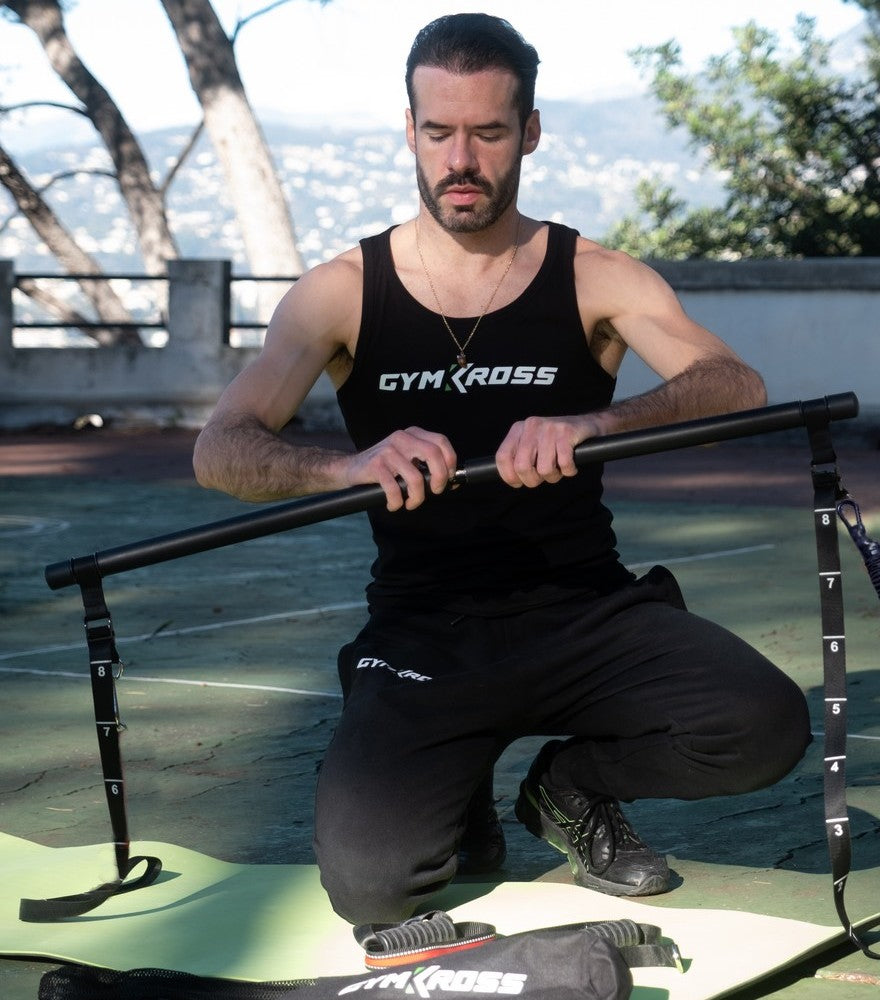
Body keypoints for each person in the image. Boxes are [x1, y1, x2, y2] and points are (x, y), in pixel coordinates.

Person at [192, 13, 811, 925]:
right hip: (424, 631)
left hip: (586, 611)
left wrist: (595, 419)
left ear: (529, 130)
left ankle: (569, 785)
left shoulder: (596, 275)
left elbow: (733, 384)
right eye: (439, 132)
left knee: (765, 724)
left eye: (487, 132)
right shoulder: (341, 291)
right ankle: (459, 779)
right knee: (373, 886)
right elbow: (221, 449)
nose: (461, 160)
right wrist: (346, 467)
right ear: (409, 131)